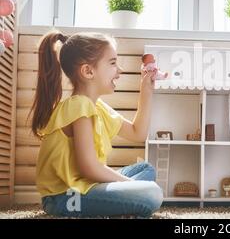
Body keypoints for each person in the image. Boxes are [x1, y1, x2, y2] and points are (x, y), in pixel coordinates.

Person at [30, 30, 163, 218]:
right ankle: (126, 206)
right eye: (113, 63)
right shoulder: (79, 106)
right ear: (88, 71)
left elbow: (137, 133)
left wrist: (146, 89)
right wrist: (129, 185)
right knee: (152, 193)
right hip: (64, 198)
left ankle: (122, 205)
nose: (120, 70)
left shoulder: (96, 106)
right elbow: (89, 168)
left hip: (85, 186)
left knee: (146, 170)